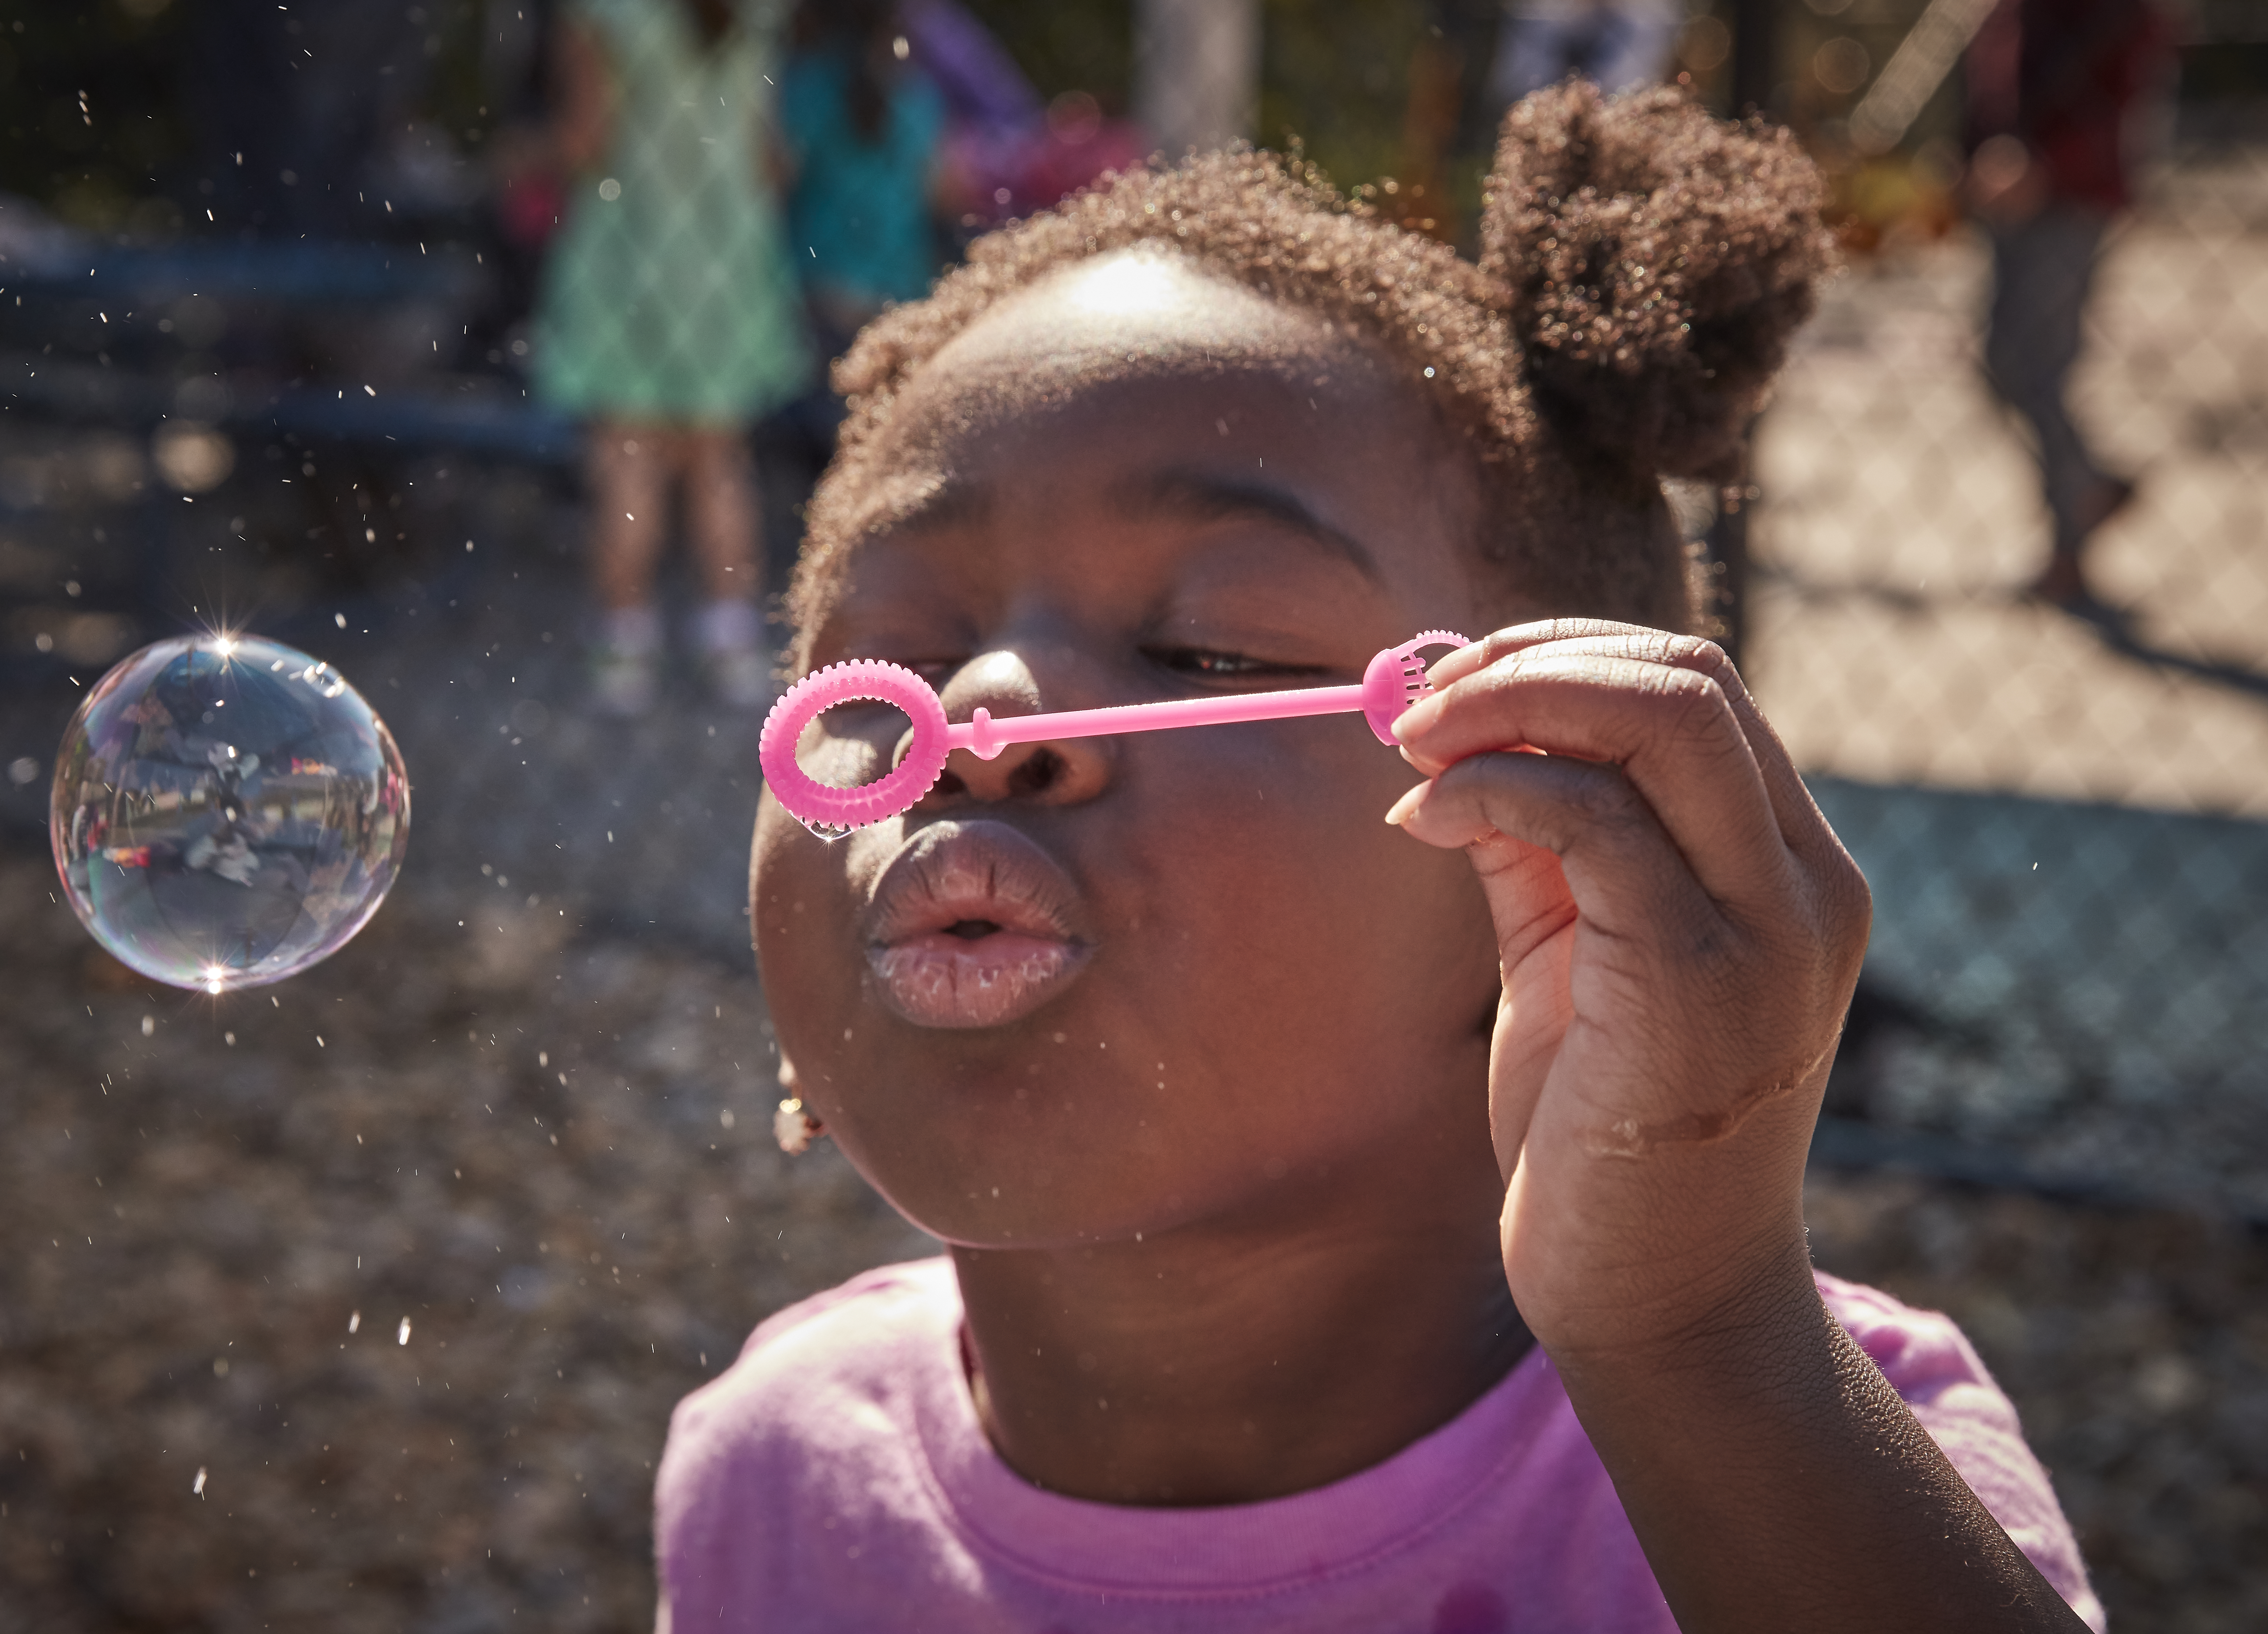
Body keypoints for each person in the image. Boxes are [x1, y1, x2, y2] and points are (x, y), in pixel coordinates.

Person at [659, 87, 2104, 1631]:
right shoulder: (767, 1474)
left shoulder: (1798, 1465)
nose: (981, 715)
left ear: (1558, 860)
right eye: (885, 657)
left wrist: (1684, 1328)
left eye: (1199, 645)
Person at [530, 0, 810, 714]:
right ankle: (731, 642)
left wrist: (518, 160)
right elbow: (767, 152)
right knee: (718, 459)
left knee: (628, 458)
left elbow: (584, 138)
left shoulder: (602, 13)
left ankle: (626, 650)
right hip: (725, 253)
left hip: (629, 249)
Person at [1965, 0, 2173, 614]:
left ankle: (2069, 548)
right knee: (2002, 361)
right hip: (2009, 186)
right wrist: (1977, 152)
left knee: (2039, 365)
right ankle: (2087, 489)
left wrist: (2046, 164)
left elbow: (2120, 91)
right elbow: (1997, 70)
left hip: (2072, 193)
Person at [778, 0, 949, 455]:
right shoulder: (916, 96)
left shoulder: (806, 88)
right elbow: (940, 189)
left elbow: (777, 176)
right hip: (899, 296)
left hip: (819, 297)